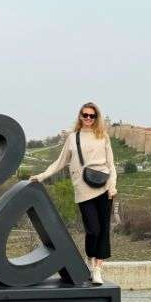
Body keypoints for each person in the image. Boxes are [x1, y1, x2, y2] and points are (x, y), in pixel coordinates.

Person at [30, 102, 117, 284]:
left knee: (103, 231)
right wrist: (42, 176)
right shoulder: (73, 138)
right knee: (93, 229)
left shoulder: (103, 136)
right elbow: (60, 162)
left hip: (104, 188)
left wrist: (112, 186)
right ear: (80, 116)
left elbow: (111, 165)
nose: (88, 118)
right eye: (84, 115)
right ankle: (90, 258)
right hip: (83, 189)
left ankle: (97, 268)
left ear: (96, 118)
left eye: (91, 116)